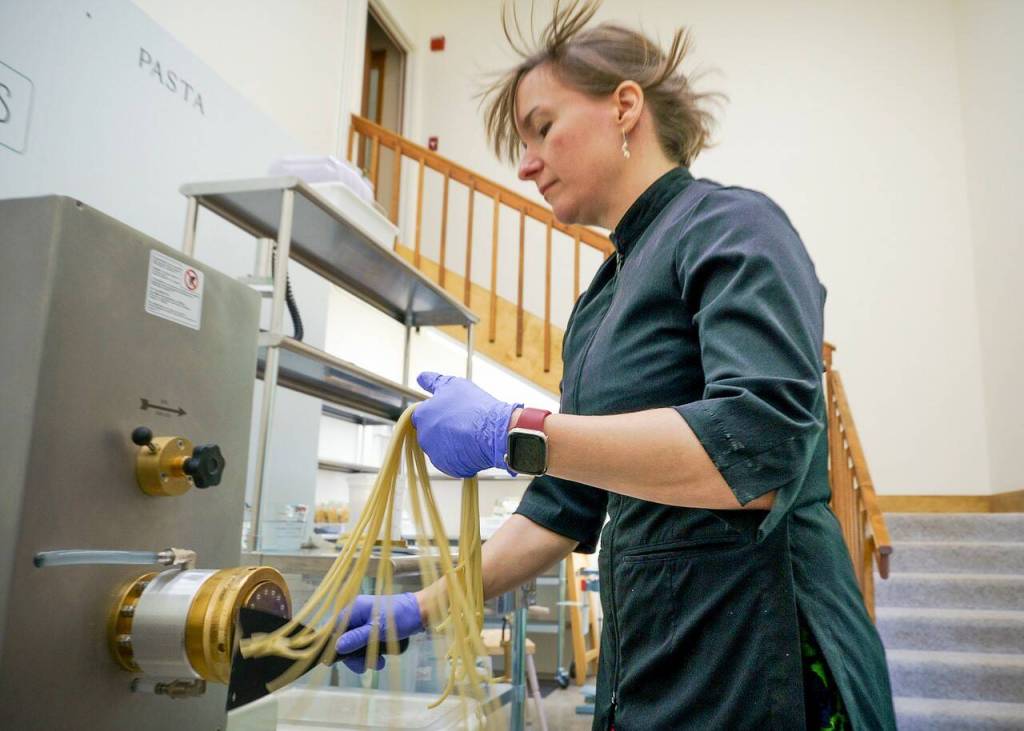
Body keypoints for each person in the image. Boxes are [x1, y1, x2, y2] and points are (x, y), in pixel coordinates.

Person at [335, 2, 896, 729]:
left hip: (764, 668)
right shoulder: (600, 301)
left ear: (624, 106)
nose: (527, 161)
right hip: (653, 673)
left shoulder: (732, 226)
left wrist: (516, 430)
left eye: (542, 127)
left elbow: (756, 452)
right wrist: (423, 607)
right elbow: (561, 509)